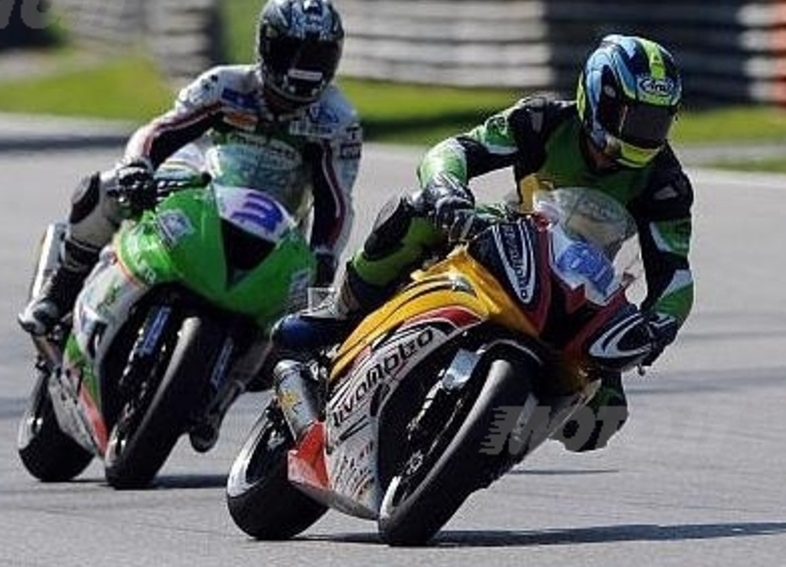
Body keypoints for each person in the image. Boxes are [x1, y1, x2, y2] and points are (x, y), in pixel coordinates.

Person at [284, 33, 694, 452]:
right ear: (596, 98)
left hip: (585, 287)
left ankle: (491, 444)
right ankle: (342, 311)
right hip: (513, 236)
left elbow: (675, 276)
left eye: (657, 121)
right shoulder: (541, 120)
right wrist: (446, 188)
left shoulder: (666, 183)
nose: (644, 134)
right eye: (633, 118)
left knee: (600, 420)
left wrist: (659, 325)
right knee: (415, 213)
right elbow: (457, 149)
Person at [18, 0, 363, 418]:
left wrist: (325, 254)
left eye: (316, 58)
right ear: (266, 44)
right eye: (292, 52)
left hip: (274, 228)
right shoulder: (225, 85)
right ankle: (59, 291)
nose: (302, 70)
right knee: (104, 188)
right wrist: (138, 165)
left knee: (299, 324)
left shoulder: (337, 120)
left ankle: (220, 399)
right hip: (200, 191)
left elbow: (336, 200)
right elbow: (162, 131)